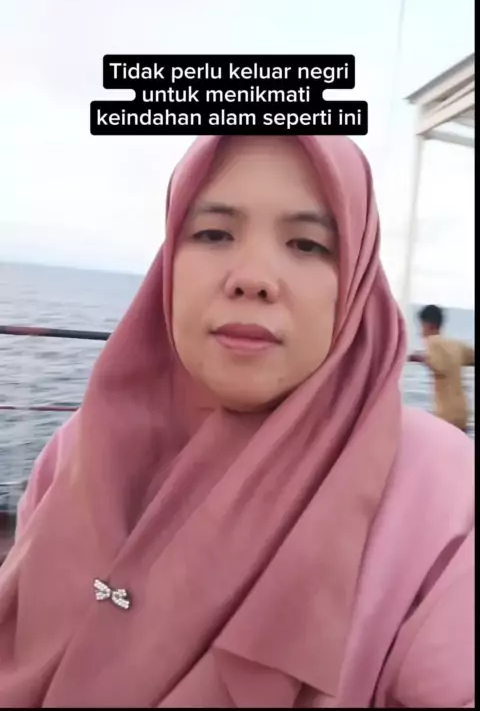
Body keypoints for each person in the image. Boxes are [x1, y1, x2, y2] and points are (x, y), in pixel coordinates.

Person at [0, 134, 474, 708]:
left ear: (354, 282)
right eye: (214, 234)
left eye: (306, 244)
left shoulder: (447, 496)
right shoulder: (76, 452)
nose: (253, 277)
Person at [408, 304, 475, 431]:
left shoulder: (432, 342)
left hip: (446, 415)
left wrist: (416, 358)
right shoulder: (456, 345)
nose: (421, 332)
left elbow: (437, 365)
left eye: (422, 326)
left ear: (429, 325)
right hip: (463, 413)